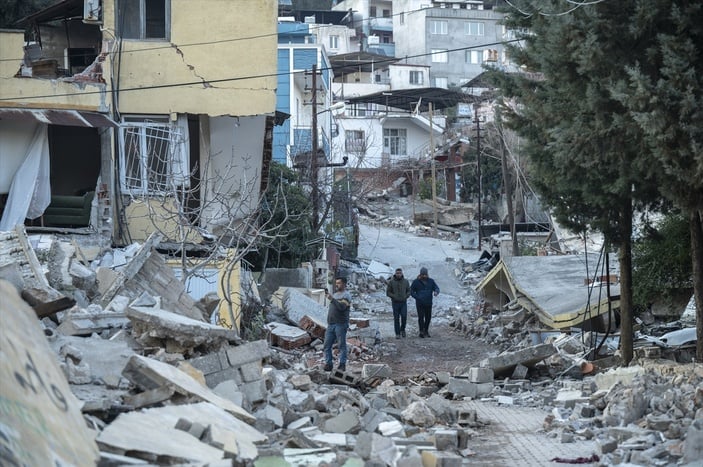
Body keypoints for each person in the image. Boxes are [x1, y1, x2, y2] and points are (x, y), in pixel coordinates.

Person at [323, 277, 352, 372]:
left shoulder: (346, 295)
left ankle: (342, 364)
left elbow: (342, 307)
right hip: (331, 324)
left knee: (341, 345)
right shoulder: (335, 295)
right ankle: (328, 364)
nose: (337, 285)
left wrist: (332, 299)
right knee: (327, 345)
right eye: (336, 283)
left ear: (344, 284)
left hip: (340, 324)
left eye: (339, 283)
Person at [410, 267, 439, 338]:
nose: (424, 276)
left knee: (428, 317)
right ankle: (421, 331)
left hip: (428, 302)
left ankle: (426, 330)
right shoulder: (416, 282)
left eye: (425, 274)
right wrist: (417, 297)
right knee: (421, 317)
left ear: (427, 274)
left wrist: (436, 292)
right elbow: (411, 291)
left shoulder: (431, 281)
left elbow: (436, 288)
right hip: (420, 303)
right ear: (420, 274)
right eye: (423, 274)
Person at [386, 268, 410, 339]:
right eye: (397, 273)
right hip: (395, 303)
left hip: (403, 302)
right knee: (396, 318)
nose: (398, 274)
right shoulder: (391, 282)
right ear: (395, 274)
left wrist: (406, 296)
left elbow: (409, 290)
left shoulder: (406, 281)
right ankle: (397, 333)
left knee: (404, 316)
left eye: (400, 273)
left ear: (402, 273)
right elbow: (388, 292)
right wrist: (394, 296)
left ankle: (402, 329)